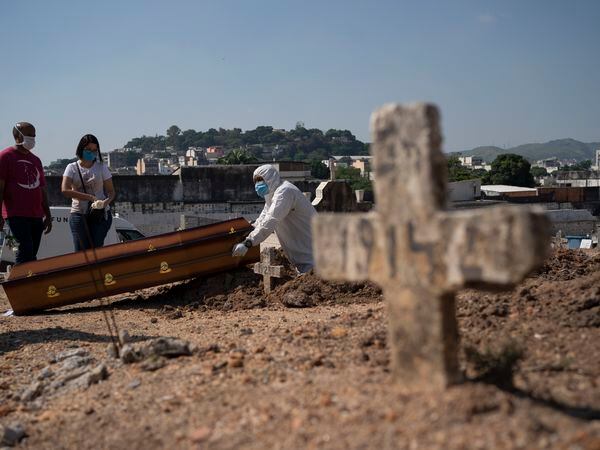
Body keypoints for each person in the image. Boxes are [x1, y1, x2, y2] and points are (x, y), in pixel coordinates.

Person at [232, 164, 316, 273]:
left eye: (261, 180)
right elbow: (263, 218)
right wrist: (249, 229)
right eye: (256, 181)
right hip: (304, 259)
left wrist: (248, 243)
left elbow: (270, 220)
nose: (258, 185)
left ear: (270, 178)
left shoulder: (284, 192)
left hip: (314, 256)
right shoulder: (272, 196)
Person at [0, 122, 52, 264]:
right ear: (17, 135)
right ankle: (19, 283)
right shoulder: (5, 157)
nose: (32, 139)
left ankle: (29, 282)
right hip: (15, 214)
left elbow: (42, 189)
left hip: (36, 214)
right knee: (25, 250)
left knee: (32, 253)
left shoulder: (36, 160)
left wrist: (47, 214)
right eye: (29, 135)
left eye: (34, 136)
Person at [61, 134, 115, 251]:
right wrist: (89, 197)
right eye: (89, 150)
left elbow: (111, 192)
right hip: (79, 213)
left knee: (96, 248)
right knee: (81, 252)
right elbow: (65, 189)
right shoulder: (72, 168)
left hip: (99, 213)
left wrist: (106, 202)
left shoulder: (101, 167)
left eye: (95, 150)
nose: (92, 152)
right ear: (81, 149)